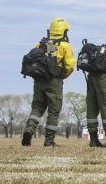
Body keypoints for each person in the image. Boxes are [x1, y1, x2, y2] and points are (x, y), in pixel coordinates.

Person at [21, 17, 75, 147]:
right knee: (54, 110)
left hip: (38, 81)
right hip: (54, 82)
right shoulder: (64, 45)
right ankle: (49, 140)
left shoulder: (40, 44)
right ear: (64, 31)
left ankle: (29, 130)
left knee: (37, 107)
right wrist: (62, 77)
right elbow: (69, 66)